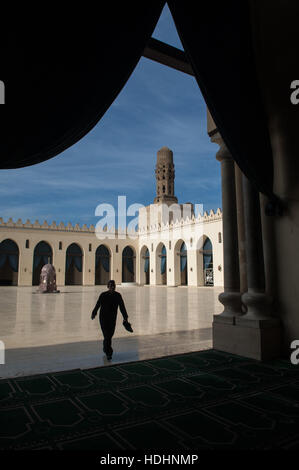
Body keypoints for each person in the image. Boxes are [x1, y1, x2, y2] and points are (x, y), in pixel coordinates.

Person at [91, 280, 132, 360]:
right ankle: (109, 352)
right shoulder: (103, 295)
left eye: (113, 286)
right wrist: (94, 312)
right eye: (110, 286)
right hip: (103, 318)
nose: (112, 287)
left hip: (112, 319)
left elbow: (122, 307)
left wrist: (125, 318)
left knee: (109, 335)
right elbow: (98, 304)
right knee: (107, 335)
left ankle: (105, 348)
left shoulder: (118, 296)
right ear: (108, 287)